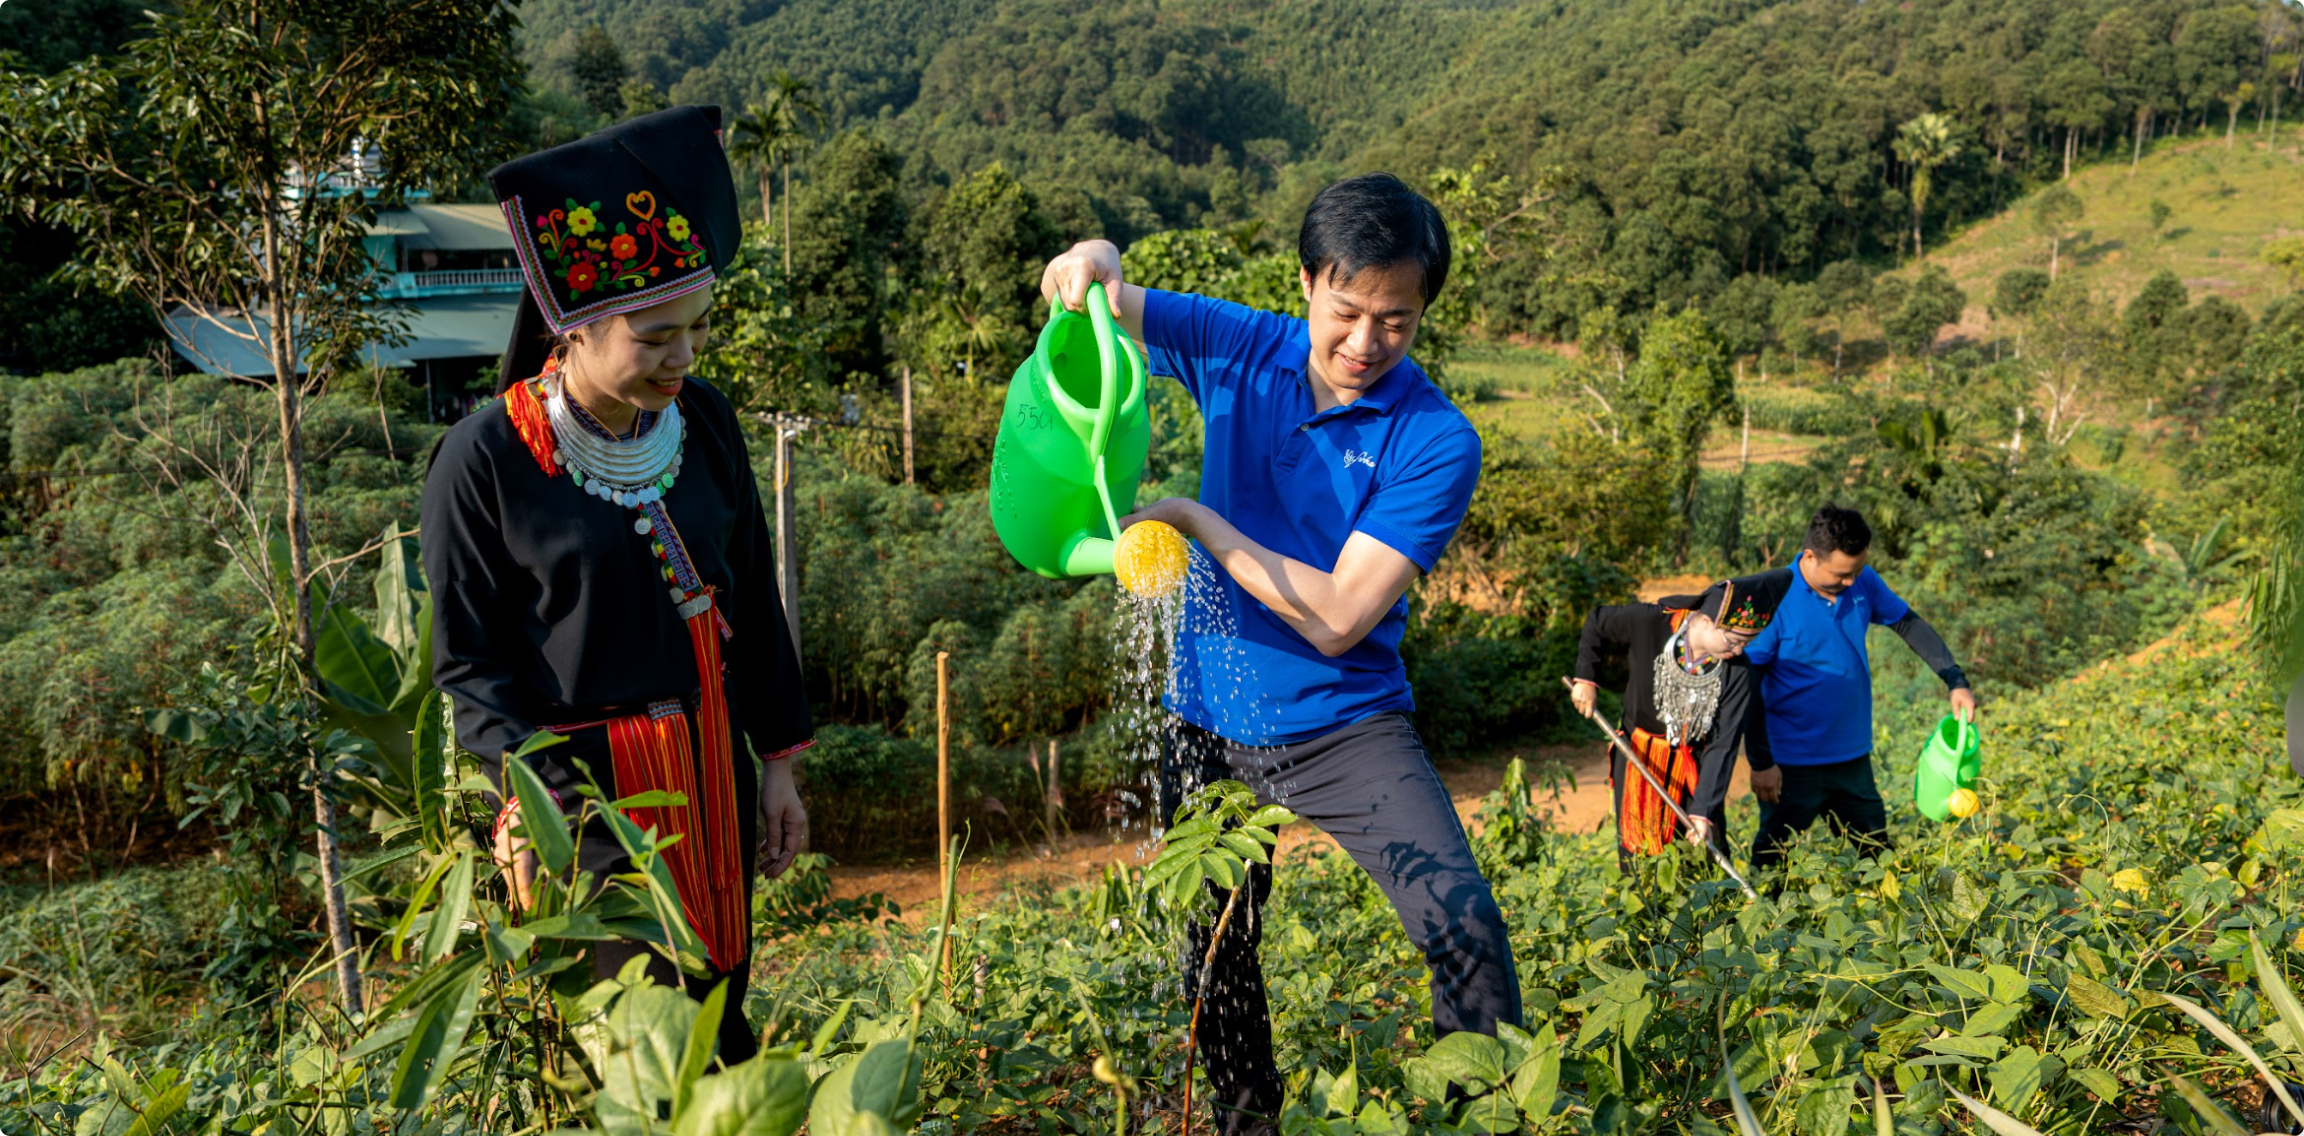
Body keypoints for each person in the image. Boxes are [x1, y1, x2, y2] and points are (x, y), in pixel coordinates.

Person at [1040, 173, 1515, 1134]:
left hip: (1346, 724)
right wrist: (1088, 262)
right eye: (1347, 311)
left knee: (1462, 916)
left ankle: (1486, 1113)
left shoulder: (1435, 440)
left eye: (1397, 321)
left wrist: (1193, 520)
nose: (1365, 343)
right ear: (1308, 282)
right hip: (1205, 712)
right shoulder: (1241, 343)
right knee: (1215, 944)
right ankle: (1244, 1121)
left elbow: (1338, 616)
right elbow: (1110, 292)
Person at [421, 105, 812, 1064]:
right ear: (574, 328)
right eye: (655, 336)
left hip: (711, 776)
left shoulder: (705, 424)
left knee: (719, 1017)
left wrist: (777, 764)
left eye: (698, 328)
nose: (685, 357)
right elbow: (472, 667)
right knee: (638, 1052)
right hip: (586, 802)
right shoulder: (484, 460)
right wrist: (531, 803)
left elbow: (753, 603)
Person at [1741, 505, 1976, 867]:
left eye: (1857, 571)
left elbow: (1908, 624)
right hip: (1791, 764)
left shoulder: (1863, 581)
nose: (1851, 583)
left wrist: (1954, 679)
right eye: (1841, 575)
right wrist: (1761, 763)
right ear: (1809, 557)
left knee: (1876, 855)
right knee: (1774, 860)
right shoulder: (1773, 599)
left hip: (1851, 759)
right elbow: (1748, 686)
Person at [1571, 569, 1791, 869]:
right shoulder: (1650, 622)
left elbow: (1723, 746)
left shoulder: (1739, 672)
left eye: (1747, 643)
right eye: (1733, 640)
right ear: (1705, 621)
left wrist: (1703, 811)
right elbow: (1597, 621)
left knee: (1707, 854)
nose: (1738, 650)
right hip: (1639, 757)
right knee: (1638, 857)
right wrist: (1585, 678)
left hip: (1696, 766)